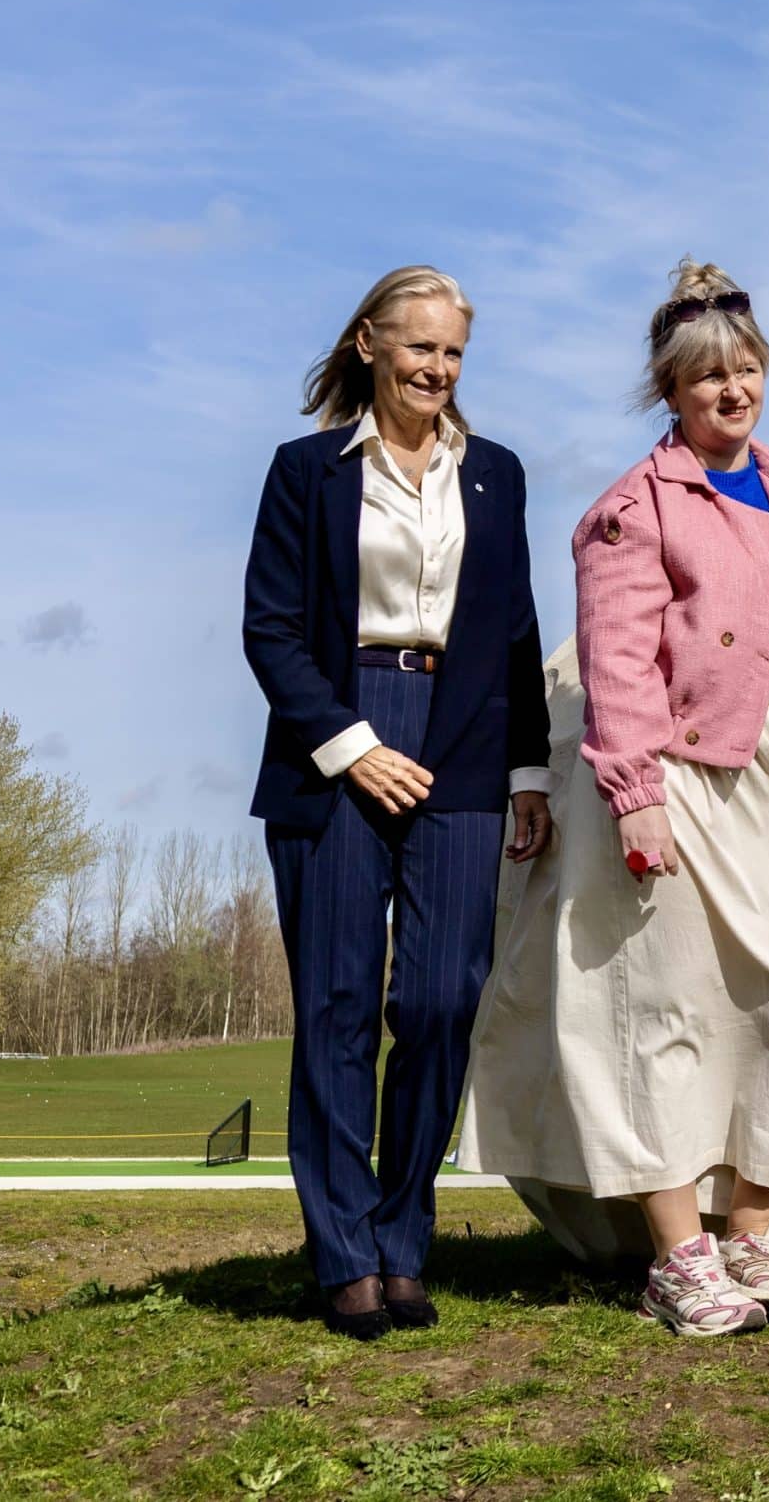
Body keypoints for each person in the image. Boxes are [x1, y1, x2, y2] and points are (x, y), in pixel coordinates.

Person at [457, 259, 769, 1338]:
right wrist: (635, 797)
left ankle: (753, 1228)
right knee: (658, 1010)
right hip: (669, 766)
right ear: (669, 393)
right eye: (708, 377)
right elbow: (620, 663)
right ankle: (679, 1258)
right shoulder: (629, 511)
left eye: (747, 369)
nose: (733, 390)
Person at [243, 266, 553, 1340]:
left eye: (454, 352)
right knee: (334, 1007)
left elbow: (513, 632)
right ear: (371, 343)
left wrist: (528, 771)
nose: (438, 368)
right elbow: (270, 630)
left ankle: (402, 1238)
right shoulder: (305, 473)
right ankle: (344, 1257)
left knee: (438, 1004)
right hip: (338, 732)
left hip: (464, 741)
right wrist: (349, 745)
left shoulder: (498, 475)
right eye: (419, 347)